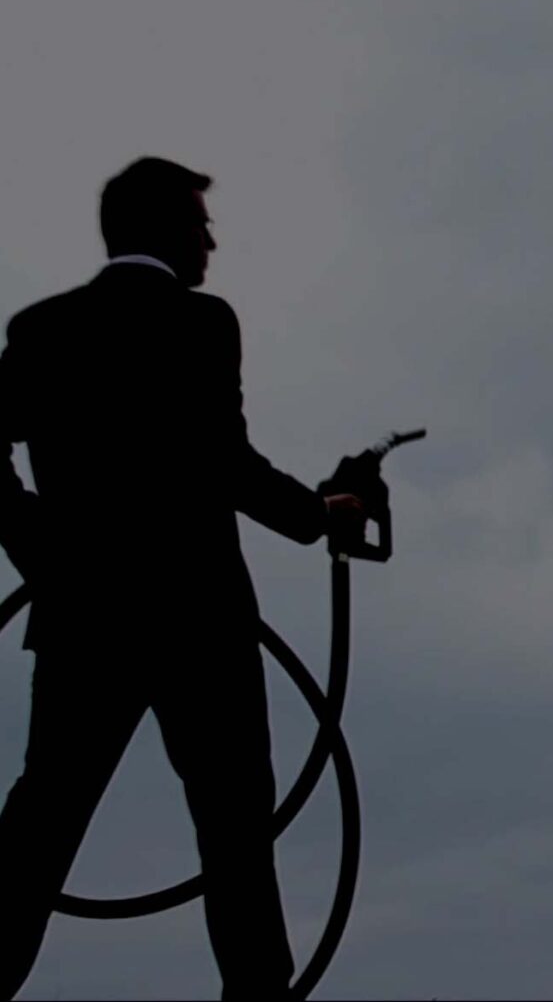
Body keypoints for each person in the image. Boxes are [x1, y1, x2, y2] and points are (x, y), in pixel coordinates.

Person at [0, 157, 364, 998]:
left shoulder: (41, 329)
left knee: (41, 823)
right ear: (162, 229)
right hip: (202, 621)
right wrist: (322, 516)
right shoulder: (202, 323)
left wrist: (40, 548)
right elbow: (224, 461)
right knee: (236, 831)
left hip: (81, 617)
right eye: (200, 223)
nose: (212, 240)